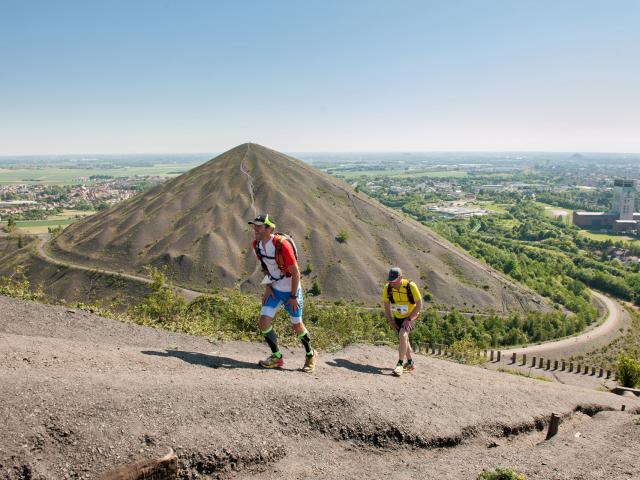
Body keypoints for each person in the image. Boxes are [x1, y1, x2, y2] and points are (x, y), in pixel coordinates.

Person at [248, 214, 317, 373]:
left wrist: (293, 296)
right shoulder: (257, 245)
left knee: (297, 326)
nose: (255, 229)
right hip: (275, 290)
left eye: (259, 226)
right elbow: (266, 267)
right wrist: (268, 287)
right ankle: (277, 357)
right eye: (254, 226)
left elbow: (296, 273)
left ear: (269, 229)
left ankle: (310, 354)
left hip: (291, 290)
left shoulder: (282, 245)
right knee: (264, 323)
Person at [382, 267, 423, 376]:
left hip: (411, 315)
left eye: (394, 281)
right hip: (397, 316)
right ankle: (410, 363)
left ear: (401, 278)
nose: (392, 283)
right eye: (390, 281)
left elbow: (419, 305)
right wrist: (391, 321)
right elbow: (386, 308)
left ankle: (399, 364)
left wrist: (409, 319)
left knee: (403, 335)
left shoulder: (411, 286)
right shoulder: (388, 288)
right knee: (404, 339)